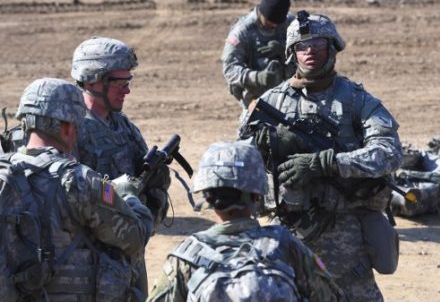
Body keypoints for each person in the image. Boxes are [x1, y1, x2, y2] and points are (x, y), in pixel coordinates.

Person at [242, 11, 403, 301]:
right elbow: (238, 162)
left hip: (346, 239)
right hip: (287, 233)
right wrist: (268, 149)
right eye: (303, 46)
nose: (310, 52)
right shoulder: (270, 103)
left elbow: (389, 153)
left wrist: (327, 163)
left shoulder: (356, 100)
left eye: (318, 45)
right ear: (292, 52)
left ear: (333, 48)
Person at [0, 78, 154, 301]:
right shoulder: (79, 180)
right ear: (67, 127)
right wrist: (128, 195)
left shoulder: (5, 173)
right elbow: (134, 238)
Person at [147, 141, 344, 302]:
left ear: (206, 197)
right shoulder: (286, 245)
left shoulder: (186, 256)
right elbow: (332, 297)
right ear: (257, 195)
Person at [71, 36, 171, 296]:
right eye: (120, 82)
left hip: (129, 261)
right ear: (93, 79)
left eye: (129, 82)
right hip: (89, 270)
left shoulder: (123, 126)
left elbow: (149, 196)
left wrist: (156, 187)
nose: (127, 90)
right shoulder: (71, 129)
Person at [221, 0, 296, 119]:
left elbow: (308, 53)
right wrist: (257, 77)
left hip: (288, 98)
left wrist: (283, 50)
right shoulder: (242, 31)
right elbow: (230, 69)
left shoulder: (289, 23)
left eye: (277, 22)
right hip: (255, 101)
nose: (274, 25)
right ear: (262, 13)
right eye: (270, 21)